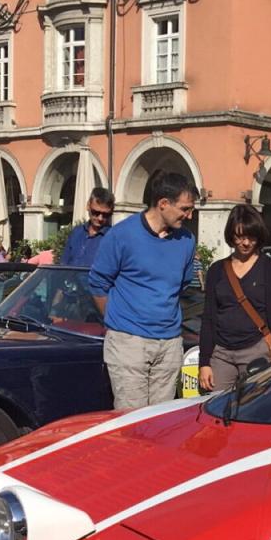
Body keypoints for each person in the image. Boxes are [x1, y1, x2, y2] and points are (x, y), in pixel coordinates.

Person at [88, 170, 197, 410]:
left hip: (169, 342)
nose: (189, 215)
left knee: (160, 420)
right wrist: (116, 321)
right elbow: (98, 283)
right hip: (128, 341)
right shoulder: (122, 235)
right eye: (184, 208)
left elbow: (182, 284)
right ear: (163, 204)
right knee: (131, 421)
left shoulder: (186, 240)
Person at [197, 204, 271, 392]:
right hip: (221, 353)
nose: (245, 243)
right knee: (215, 408)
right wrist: (204, 362)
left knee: (255, 408)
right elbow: (208, 318)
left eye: (251, 237)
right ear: (231, 236)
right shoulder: (217, 270)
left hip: (257, 349)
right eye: (239, 237)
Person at [61, 187, 115, 268]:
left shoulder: (114, 238)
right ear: (88, 206)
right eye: (96, 213)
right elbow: (63, 264)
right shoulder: (76, 232)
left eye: (106, 215)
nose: (100, 218)